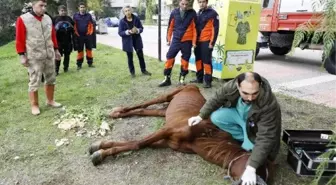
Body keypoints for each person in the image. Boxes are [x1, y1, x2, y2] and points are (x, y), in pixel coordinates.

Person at [188, 72, 281, 185]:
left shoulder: (268, 104)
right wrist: (201, 115)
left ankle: (249, 139)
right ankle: (243, 136)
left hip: (255, 126)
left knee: (254, 151)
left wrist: (251, 168)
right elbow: (217, 98)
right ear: (237, 86)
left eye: (255, 93)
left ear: (260, 86)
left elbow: (266, 137)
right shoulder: (231, 86)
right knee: (216, 117)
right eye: (245, 93)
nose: (250, 98)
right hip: (240, 117)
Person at [16, 0, 62, 115]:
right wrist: (22, 55)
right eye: (41, 5)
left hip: (49, 54)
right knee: (34, 81)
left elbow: (53, 36)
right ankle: (35, 105)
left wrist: (56, 50)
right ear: (33, 5)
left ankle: (50, 100)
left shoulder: (48, 18)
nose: (43, 8)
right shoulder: (23, 19)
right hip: (34, 56)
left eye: (45, 6)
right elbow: (20, 38)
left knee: (51, 78)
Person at [158, 0, 197, 87]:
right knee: (169, 57)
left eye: (186, 4)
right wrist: (168, 39)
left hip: (187, 41)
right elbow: (170, 27)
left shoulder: (192, 13)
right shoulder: (174, 12)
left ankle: (182, 79)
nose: (184, 6)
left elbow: (195, 29)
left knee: (185, 60)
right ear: (179, 3)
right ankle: (166, 78)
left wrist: (194, 42)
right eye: (182, 4)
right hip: (176, 40)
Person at [190, 0, 219, 88]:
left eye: (203, 2)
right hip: (197, 42)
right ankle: (199, 78)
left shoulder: (213, 13)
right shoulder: (198, 13)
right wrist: (194, 41)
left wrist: (212, 43)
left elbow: (215, 29)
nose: (201, 4)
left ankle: (208, 81)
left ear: (206, 2)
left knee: (206, 61)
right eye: (199, 2)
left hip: (206, 42)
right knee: (198, 60)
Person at [118, 5, 152, 78]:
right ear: (124, 12)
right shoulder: (122, 21)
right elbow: (120, 32)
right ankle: (132, 73)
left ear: (131, 11)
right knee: (130, 57)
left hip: (137, 40)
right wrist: (127, 32)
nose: (128, 12)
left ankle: (143, 70)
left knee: (140, 56)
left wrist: (137, 30)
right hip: (127, 41)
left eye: (129, 10)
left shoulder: (136, 19)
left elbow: (141, 28)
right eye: (126, 11)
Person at [53, 5, 75, 75]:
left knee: (67, 55)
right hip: (58, 41)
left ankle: (66, 68)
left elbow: (73, 29)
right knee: (58, 56)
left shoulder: (69, 19)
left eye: (64, 11)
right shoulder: (55, 19)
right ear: (58, 11)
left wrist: (73, 39)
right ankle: (56, 70)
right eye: (62, 11)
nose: (63, 12)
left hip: (67, 40)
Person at [73, 2, 95, 70]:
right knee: (80, 51)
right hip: (79, 36)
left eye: (83, 7)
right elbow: (74, 26)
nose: (82, 8)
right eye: (81, 7)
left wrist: (90, 33)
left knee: (89, 50)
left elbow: (91, 25)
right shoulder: (75, 16)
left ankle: (90, 63)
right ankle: (79, 65)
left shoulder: (89, 15)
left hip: (87, 36)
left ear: (85, 8)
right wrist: (76, 34)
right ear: (79, 8)